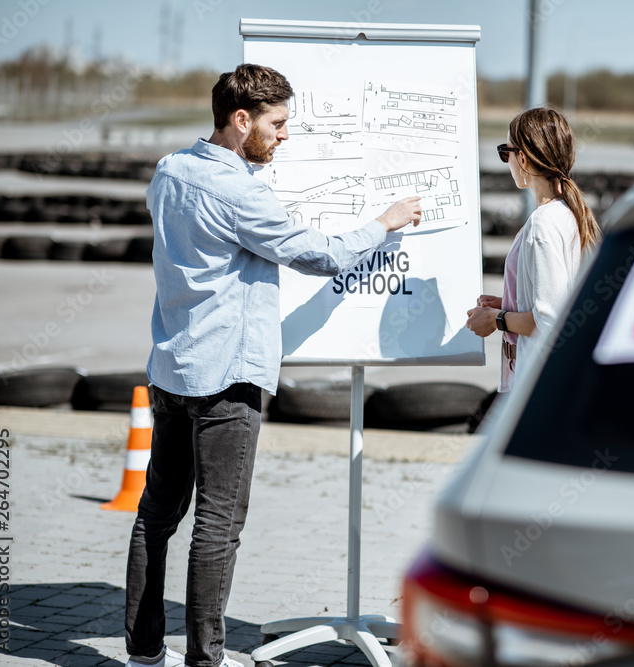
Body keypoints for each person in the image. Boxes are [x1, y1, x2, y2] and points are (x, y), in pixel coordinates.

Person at [123, 64, 421, 667]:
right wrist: (382, 223)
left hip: (172, 368)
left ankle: (144, 652)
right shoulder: (239, 192)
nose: (284, 135)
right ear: (241, 120)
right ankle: (205, 659)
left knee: (157, 512)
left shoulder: (169, 171)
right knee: (217, 525)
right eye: (277, 124)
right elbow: (320, 254)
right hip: (227, 376)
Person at [466, 107, 600, 392]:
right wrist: (509, 303)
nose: (507, 161)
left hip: (539, 383)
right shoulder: (567, 214)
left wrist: (496, 319)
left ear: (523, 159)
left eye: (506, 152)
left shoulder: (543, 223)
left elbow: (548, 320)